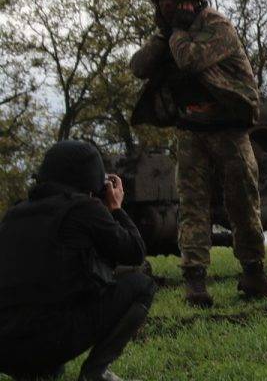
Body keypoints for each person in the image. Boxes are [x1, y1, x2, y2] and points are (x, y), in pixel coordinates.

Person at [127, 0, 267, 307]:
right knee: (193, 208)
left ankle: (254, 274)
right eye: (161, 4)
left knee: (243, 205)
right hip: (192, 132)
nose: (166, 10)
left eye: (172, 3)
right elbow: (138, 66)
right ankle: (195, 284)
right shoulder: (171, 34)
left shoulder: (217, 27)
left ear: (190, 3)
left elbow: (190, 61)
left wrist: (177, 33)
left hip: (228, 129)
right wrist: (162, 38)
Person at [0, 140, 154, 381]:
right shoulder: (84, 208)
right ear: (91, 178)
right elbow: (135, 252)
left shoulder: (14, 214)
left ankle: (34, 371)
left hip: (5, 348)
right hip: (47, 339)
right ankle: (95, 373)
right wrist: (115, 208)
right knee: (141, 285)